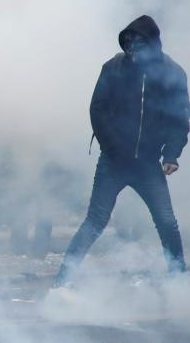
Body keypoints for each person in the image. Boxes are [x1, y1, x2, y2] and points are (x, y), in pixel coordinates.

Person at [52, 15, 189, 288]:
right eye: (128, 43)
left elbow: (180, 118)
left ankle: (179, 282)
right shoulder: (113, 67)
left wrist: (172, 153)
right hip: (114, 161)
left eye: (139, 43)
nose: (133, 49)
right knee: (95, 221)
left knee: (166, 222)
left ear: (153, 43)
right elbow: (97, 109)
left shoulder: (173, 73)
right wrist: (112, 145)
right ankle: (61, 282)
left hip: (148, 163)